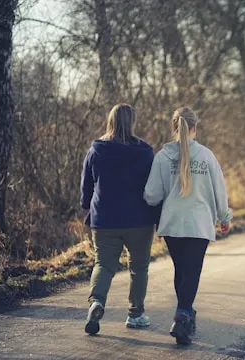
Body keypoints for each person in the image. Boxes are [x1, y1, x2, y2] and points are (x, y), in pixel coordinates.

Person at [144, 106, 232, 345]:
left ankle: (185, 314)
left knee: (181, 270)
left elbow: (151, 195)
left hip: (172, 224)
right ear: (194, 128)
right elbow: (219, 191)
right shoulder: (206, 156)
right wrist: (225, 218)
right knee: (191, 272)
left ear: (174, 128)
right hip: (199, 224)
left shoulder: (162, 157)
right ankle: (182, 314)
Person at [80, 104, 159, 335]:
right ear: (132, 122)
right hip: (139, 220)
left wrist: (87, 204)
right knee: (139, 268)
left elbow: (87, 185)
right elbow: (154, 187)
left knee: (103, 265)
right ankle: (135, 315)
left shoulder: (97, 149)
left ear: (110, 120)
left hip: (104, 220)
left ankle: (96, 302)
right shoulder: (145, 151)